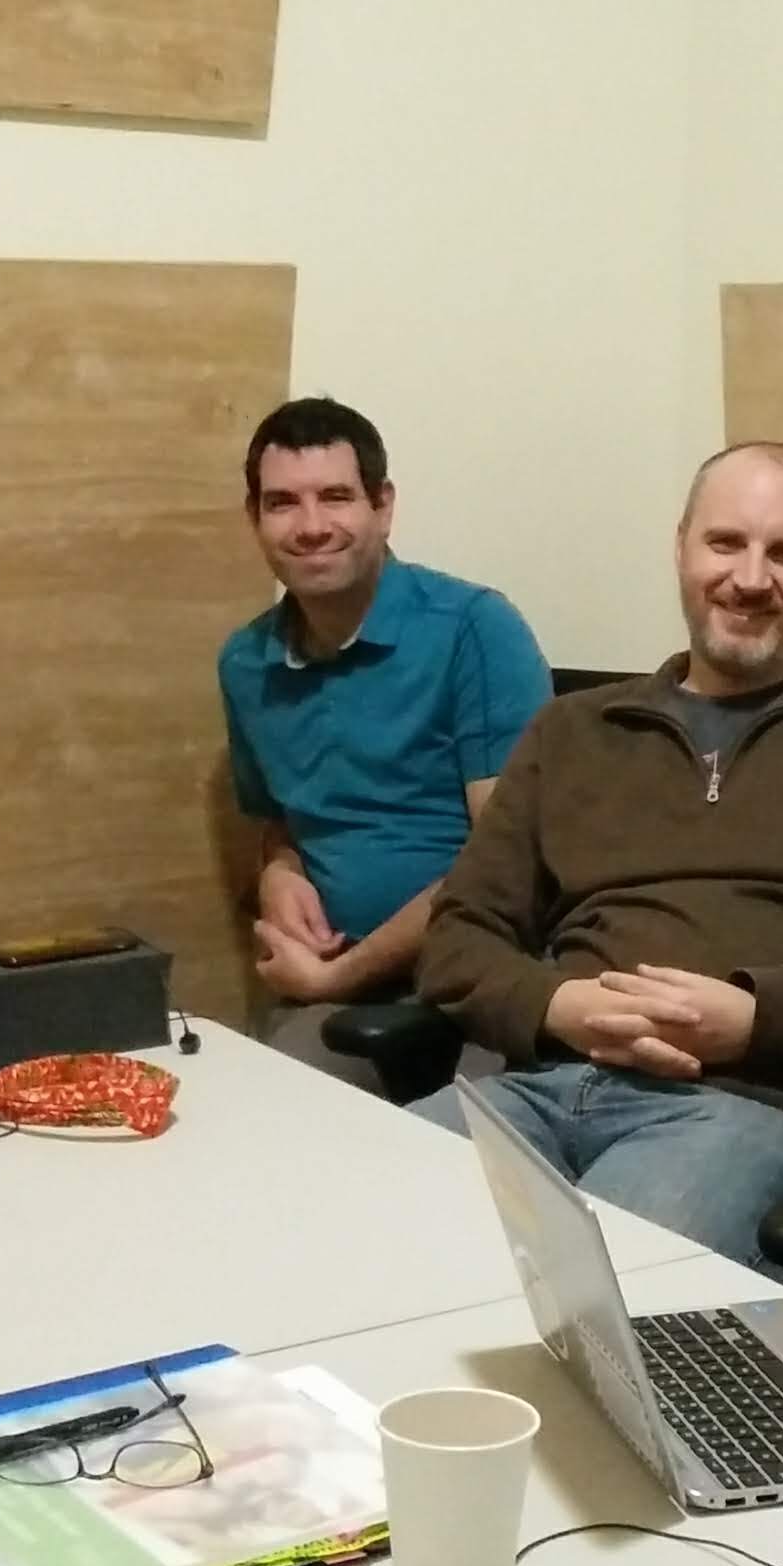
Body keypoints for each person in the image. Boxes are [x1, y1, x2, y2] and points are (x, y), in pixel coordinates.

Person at [412, 440, 783, 1263]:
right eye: (726, 542)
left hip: (752, 1113)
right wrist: (560, 1007)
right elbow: (456, 939)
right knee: (347, 1233)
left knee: (592, 1290)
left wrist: (761, 1021)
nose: (751, 578)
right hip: (536, 1093)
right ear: (682, 549)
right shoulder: (574, 730)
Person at [215, 397, 551, 1087]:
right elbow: (280, 825)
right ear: (254, 519)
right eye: (283, 503)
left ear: (383, 507)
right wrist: (280, 874)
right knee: (248, 1110)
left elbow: (506, 867)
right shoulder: (245, 663)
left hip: (480, 978)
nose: (311, 526)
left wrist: (339, 977)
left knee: (479, 1138)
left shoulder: (475, 629)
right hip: (339, 987)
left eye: (336, 497)